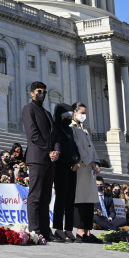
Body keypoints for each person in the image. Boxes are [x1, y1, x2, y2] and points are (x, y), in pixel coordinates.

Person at [21, 81, 58, 241]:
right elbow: (33, 134)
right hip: (37, 157)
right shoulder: (28, 109)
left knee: (46, 197)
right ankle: (35, 229)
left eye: (44, 92)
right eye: (38, 91)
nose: (41, 94)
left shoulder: (47, 113)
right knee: (35, 195)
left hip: (49, 159)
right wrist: (48, 150)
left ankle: (45, 230)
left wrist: (56, 150)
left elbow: (54, 135)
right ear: (31, 93)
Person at [68, 103, 102, 242]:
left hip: (89, 169)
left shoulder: (85, 130)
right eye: (81, 112)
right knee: (80, 200)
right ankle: (80, 231)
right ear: (74, 113)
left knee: (89, 201)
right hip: (81, 167)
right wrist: (90, 161)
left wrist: (97, 162)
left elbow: (91, 148)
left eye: (85, 113)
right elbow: (79, 147)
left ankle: (88, 231)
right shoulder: (72, 129)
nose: (83, 116)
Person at [51, 104, 78, 242]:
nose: (68, 117)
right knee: (61, 199)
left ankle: (68, 228)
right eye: (66, 115)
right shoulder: (55, 127)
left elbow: (73, 147)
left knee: (70, 199)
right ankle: (58, 228)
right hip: (60, 166)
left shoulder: (69, 129)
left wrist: (76, 160)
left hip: (72, 167)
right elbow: (55, 144)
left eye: (70, 115)